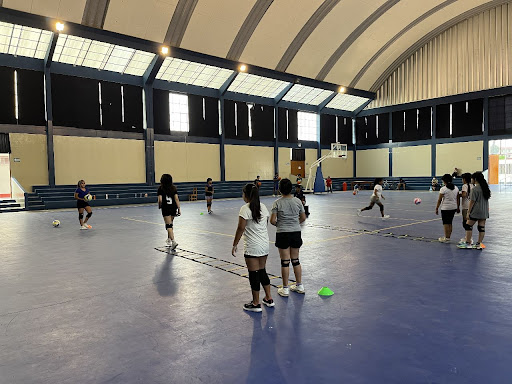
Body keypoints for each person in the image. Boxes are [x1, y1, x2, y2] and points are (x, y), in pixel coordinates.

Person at [232, 184, 273, 312]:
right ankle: (269, 298)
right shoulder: (263, 207)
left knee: (253, 274)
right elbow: (264, 225)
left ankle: (256, 303)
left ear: (247, 195)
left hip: (252, 246)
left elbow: (240, 228)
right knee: (262, 271)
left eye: (243, 193)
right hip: (264, 245)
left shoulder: (245, 209)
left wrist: (235, 244)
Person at [270, 178, 307, 297]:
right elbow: (303, 218)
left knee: (285, 261)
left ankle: (285, 288)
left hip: (282, 233)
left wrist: (280, 225)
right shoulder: (297, 201)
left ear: (280, 189)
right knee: (296, 260)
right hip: (296, 232)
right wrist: (295, 224)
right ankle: (299, 285)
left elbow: (272, 220)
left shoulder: (277, 203)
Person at [458, 171, 490, 249]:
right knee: (481, 227)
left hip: (476, 210)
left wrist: (468, 212)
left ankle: (468, 243)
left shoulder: (475, 189)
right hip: (484, 210)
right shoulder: (485, 188)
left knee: (468, 226)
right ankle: (479, 244)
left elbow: (472, 201)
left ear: (475, 179)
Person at [158, 174, 181, 250]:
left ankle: (173, 241)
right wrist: (179, 208)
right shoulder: (173, 188)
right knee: (170, 224)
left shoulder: (161, 189)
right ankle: (169, 239)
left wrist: (159, 205)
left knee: (168, 225)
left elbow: (160, 200)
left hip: (166, 208)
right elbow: (176, 199)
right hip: (173, 207)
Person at [435, 174, 459, 243]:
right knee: (450, 223)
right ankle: (448, 237)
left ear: (444, 181)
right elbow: (457, 199)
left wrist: (437, 208)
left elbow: (439, 200)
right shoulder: (456, 188)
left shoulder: (443, 189)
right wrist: (457, 207)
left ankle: (446, 238)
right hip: (453, 207)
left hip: (445, 208)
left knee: (445, 223)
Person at [458, 173, 473, 245]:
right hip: (472, 206)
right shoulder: (473, 185)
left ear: (464, 179)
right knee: (470, 222)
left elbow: (464, 194)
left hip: (466, 206)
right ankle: (468, 237)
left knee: (465, 223)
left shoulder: (465, 186)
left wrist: (458, 195)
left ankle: (468, 238)